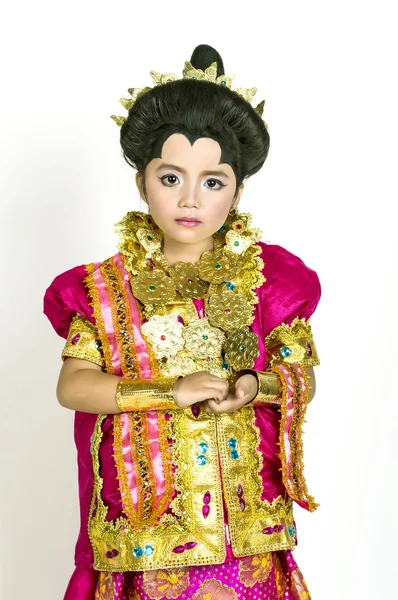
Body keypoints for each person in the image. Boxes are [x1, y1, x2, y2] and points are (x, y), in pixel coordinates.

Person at [44, 44, 321, 600]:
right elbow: (73, 386)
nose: (190, 200)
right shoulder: (100, 291)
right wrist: (171, 391)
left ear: (237, 192)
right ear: (143, 183)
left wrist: (253, 385)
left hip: (247, 537)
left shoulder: (272, 282)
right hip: (148, 534)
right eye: (171, 178)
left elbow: (303, 377)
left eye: (212, 182)